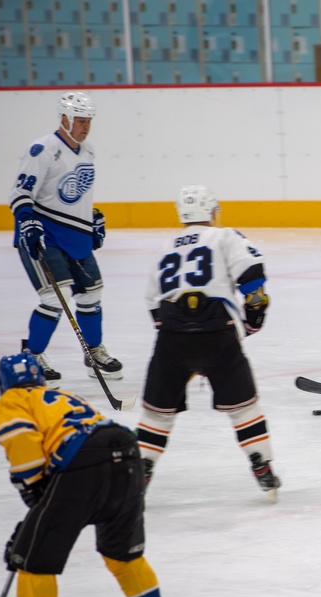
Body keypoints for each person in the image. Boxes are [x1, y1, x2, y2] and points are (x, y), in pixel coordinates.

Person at [0, 352, 175, 597]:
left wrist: (34, 493)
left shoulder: (10, 401)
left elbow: (23, 442)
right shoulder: (62, 396)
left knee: (34, 560)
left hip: (83, 464)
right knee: (123, 556)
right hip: (127, 455)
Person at [135, 184, 281, 500]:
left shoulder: (166, 248)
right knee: (244, 409)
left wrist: (178, 338)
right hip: (218, 332)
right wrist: (254, 318)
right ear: (211, 212)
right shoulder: (224, 236)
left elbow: (152, 303)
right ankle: (261, 461)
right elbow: (253, 277)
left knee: (157, 414)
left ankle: (140, 471)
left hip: (171, 335)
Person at [9, 90, 122, 387]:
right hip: (44, 236)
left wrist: (92, 218)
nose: (85, 126)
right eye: (80, 120)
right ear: (64, 118)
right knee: (52, 298)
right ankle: (32, 357)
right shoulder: (42, 150)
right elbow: (20, 193)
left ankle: (93, 352)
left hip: (75, 236)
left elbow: (75, 196)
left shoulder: (87, 151)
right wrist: (28, 223)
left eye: (88, 121)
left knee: (91, 294)